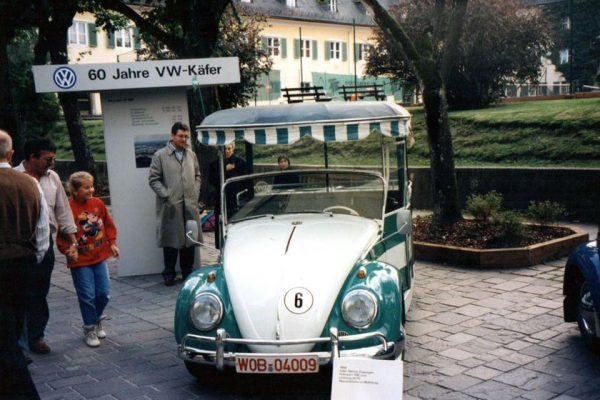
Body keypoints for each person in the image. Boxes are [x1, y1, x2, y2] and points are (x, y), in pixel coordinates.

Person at [14, 138, 78, 356]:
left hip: (45, 243)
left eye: (53, 159)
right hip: (20, 245)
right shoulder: (13, 177)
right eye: (47, 159)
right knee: (20, 292)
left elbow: (63, 210)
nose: (52, 163)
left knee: (40, 291)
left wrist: (73, 242)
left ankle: (36, 336)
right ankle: (18, 342)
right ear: (32, 157)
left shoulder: (53, 178)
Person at [0, 129, 49, 400]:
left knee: (5, 340)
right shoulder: (30, 184)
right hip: (23, 265)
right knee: (14, 328)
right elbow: (42, 233)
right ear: (10, 154)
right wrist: (33, 262)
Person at [56, 171, 119, 348]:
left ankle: (96, 318)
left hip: (99, 256)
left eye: (92, 186)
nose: (91, 190)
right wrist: (67, 251)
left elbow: (108, 224)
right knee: (87, 295)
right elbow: (61, 236)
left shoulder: (98, 203)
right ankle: (89, 328)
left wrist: (112, 243)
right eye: (86, 188)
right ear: (75, 190)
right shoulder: (67, 209)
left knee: (103, 293)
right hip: (80, 260)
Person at [148, 122, 202, 286]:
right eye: (180, 136)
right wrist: (167, 195)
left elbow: (198, 176)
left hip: (190, 205)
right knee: (171, 241)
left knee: (189, 240)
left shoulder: (191, 154)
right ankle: (169, 274)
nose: (184, 139)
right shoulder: (160, 155)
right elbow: (153, 179)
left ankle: (187, 272)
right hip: (171, 206)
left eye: (186, 136)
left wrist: (195, 193)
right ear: (172, 136)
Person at [208, 142, 247, 248]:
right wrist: (225, 170)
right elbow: (213, 180)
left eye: (229, 149)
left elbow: (245, 181)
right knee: (221, 224)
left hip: (236, 198)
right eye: (225, 149)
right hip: (221, 199)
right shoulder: (214, 164)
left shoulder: (240, 162)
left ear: (233, 149)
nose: (227, 151)